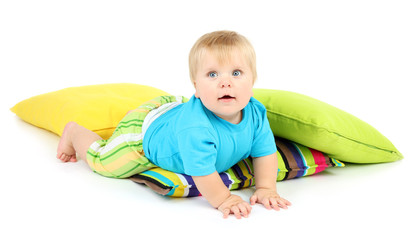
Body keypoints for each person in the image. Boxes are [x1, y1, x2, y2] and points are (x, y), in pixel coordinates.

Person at [57, 30, 291, 219]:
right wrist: (224, 199)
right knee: (105, 163)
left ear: (253, 81)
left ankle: (148, 115)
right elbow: (204, 173)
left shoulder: (256, 112)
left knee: (173, 121)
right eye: (212, 75)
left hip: (174, 111)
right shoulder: (196, 129)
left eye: (237, 73)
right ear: (196, 87)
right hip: (144, 136)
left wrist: (266, 189)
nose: (225, 83)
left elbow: (264, 152)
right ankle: (74, 132)